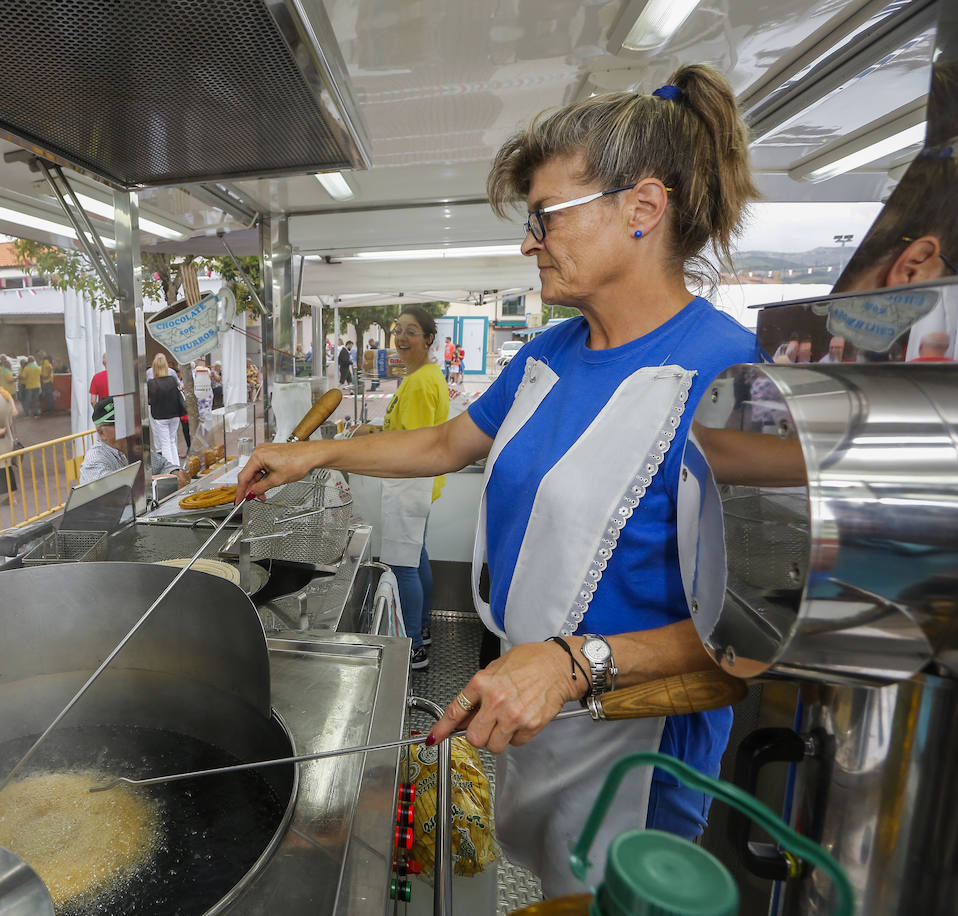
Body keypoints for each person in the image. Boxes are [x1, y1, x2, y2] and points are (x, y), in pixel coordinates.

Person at [238, 65, 760, 893]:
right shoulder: (549, 356)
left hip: (636, 737)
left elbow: (754, 641)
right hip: (536, 695)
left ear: (643, 209)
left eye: (545, 217)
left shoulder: (728, 376)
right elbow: (447, 443)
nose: (529, 241)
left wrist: (573, 661)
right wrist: (314, 453)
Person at [377, 307, 449, 670]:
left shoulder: (421, 382)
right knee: (416, 557)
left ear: (428, 338)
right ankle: (422, 626)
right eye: (397, 331)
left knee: (402, 565)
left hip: (409, 485)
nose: (402, 338)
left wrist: (368, 450)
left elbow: (415, 445)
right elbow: (402, 432)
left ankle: (415, 647)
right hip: (415, 484)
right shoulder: (421, 375)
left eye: (411, 332)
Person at [79, 397, 189, 486]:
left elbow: (162, 465)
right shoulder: (95, 460)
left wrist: (175, 472)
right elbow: (116, 493)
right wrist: (165, 481)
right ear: (101, 433)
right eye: (118, 424)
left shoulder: (134, 447)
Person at [147, 354, 184, 467]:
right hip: (174, 414)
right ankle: (176, 465)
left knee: (165, 443)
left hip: (160, 415)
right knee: (172, 441)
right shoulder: (172, 379)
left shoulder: (152, 383)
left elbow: (150, 401)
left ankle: (171, 468)